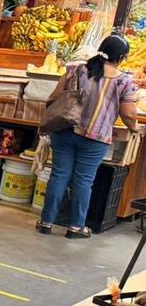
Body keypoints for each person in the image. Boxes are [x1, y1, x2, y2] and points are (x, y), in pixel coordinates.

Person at [38, 34, 138, 238]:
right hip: (95, 137)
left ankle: (46, 222)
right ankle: (76, 227)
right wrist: (135, 128)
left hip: (65, 129)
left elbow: (55, 97)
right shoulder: (123, 81)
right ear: (120, 57)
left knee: (59, 175)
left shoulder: (75, 69)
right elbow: (128, 113)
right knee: (83, 180)